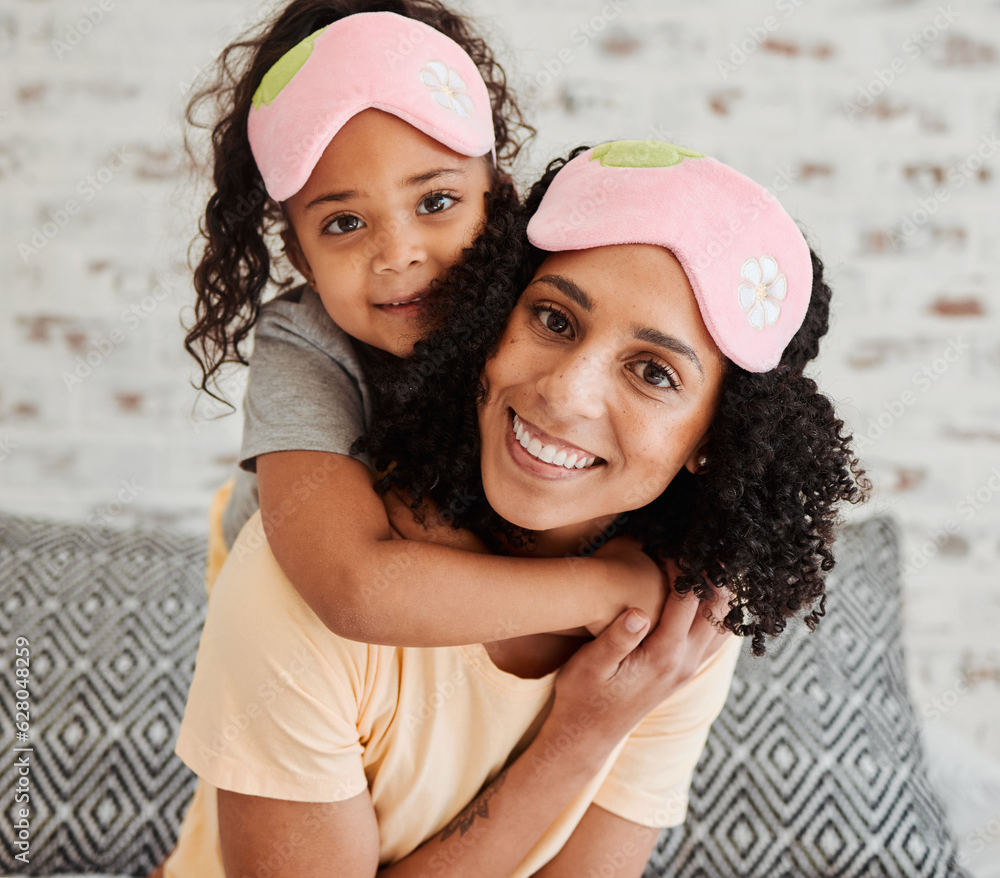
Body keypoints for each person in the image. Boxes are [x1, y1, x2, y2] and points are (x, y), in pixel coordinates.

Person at [163, 140, 869, 877]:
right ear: (489, 326)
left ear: (715, 439)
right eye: (555, 321)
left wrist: (607, 710)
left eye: (653, 372)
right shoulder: (300, 585)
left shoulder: (681, 630)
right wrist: (582, 737)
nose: (564, 393)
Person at [183, 0, 665, 643]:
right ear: (300, 260)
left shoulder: (542, 302)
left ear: (497, 196)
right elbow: (353, 590)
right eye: (345, 223)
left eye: (436, 202)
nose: (398, 253)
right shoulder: (305, 343)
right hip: (303, 634)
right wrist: (611, 587)